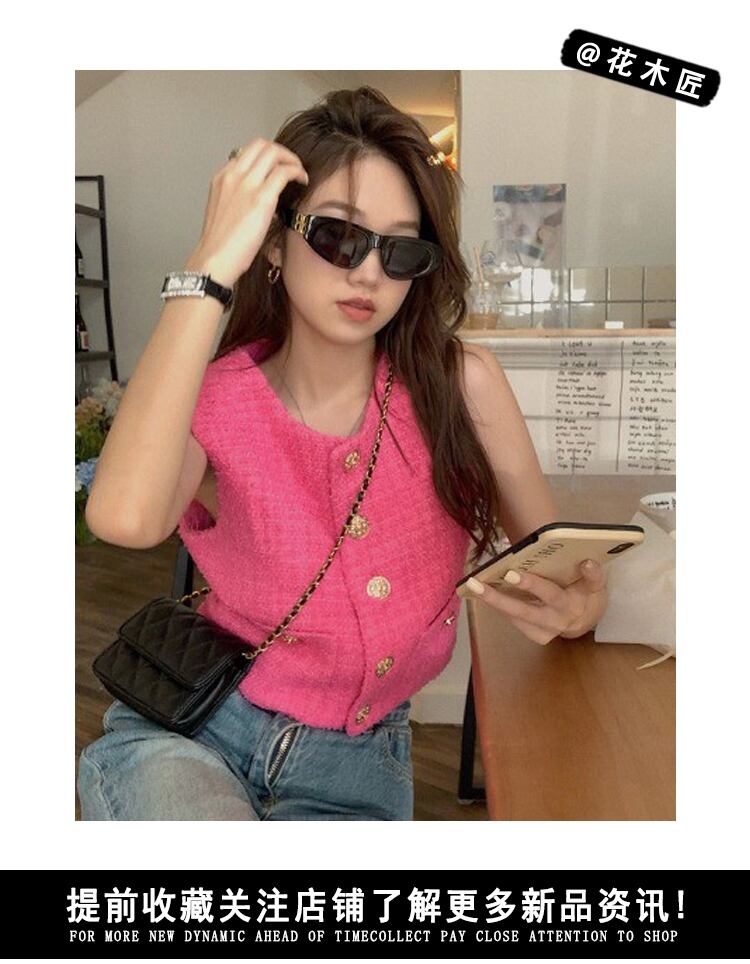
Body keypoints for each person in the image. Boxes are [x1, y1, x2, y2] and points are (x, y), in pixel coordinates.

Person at [77, 86, 608, 822]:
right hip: (197, 729)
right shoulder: (215, 397)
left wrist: (581, 605)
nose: (368, 274)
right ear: (272, 241)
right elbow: (123, 518)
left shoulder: (464, 386)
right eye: (337, 236)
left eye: (401, 250)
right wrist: (209, 265)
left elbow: (555, 564)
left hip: (357, 768)